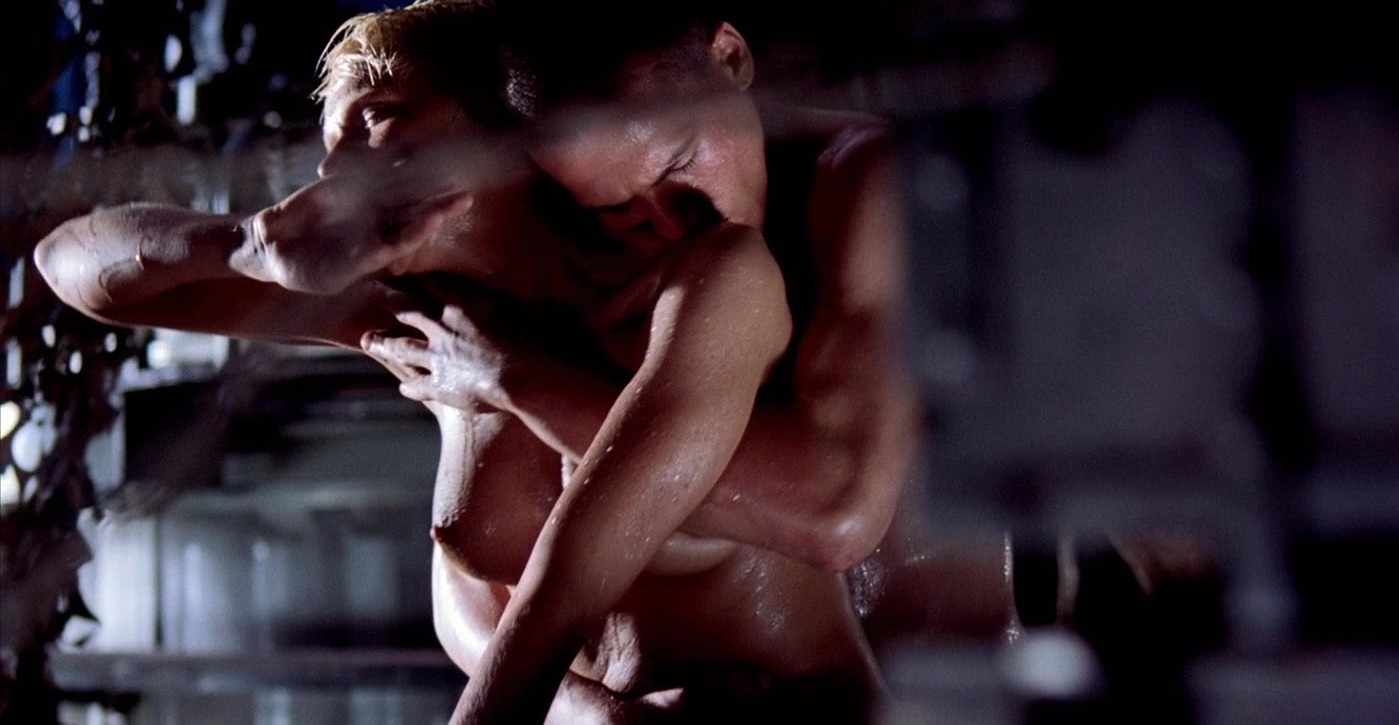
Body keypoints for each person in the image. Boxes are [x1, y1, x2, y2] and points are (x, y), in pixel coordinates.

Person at [36, 2, 972, 721]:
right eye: (334, 147)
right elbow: (70, 265)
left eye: (381, 119)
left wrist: (509, 378)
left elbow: (826, 515)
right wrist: (247, 243)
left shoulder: (713, 272)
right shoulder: (417, 308)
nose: (340, 173)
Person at [356, 3, 1013, 722]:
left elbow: (836, 515)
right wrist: (589, 710)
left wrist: (517, 380)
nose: (670, 222)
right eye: (614, 207)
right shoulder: (569, 244)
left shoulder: (871, 183)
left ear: (730, 57)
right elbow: (477, 589)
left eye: (679, 161)